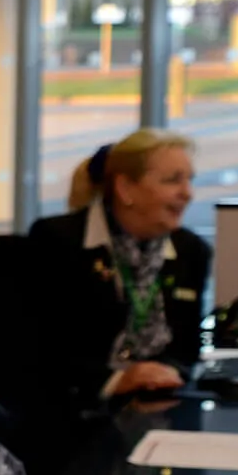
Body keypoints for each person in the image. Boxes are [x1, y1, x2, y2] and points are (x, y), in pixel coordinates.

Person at [28, 128, 206, 400]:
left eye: (189, 180)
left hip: (159, 400)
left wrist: (161, 375)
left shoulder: (191, 251)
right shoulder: (58, 242)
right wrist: (116, 381)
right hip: (74, 410)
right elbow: (40, 349)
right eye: (173, 181)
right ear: (125, 189)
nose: (188, 193)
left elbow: (186, 350)